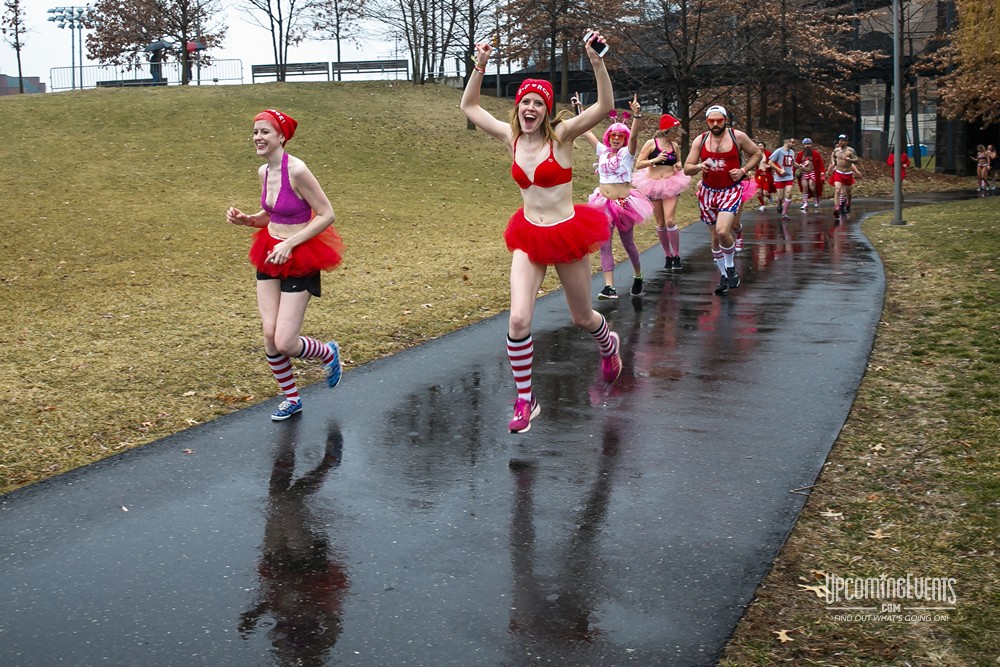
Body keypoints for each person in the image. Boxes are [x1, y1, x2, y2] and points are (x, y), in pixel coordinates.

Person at [461, 31, 623, 434]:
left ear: (547, 109)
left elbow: (605, 106)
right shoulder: (509, 136)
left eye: (538, 102)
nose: (530, 107)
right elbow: (469, 105)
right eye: (525, 102)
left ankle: (609, 344)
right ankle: (524, 398)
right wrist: (480, 63)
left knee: (582, 316)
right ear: (518, 108)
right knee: (517, 320)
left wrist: (596, 61)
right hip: (530, 236)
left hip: (566, 234)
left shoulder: (562, 136)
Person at [226, 108, 345, 421]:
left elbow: (326, 213)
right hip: (269, 251)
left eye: (265, 132)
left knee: (286, 342)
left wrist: (290, 243)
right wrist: (248, 220)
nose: (258, 138)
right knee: (269, 332)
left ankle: (328, 353)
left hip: (301, 256)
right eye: (255, 132)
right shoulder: (264, 172)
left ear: (281, 136)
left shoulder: (298, 170)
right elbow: (275, 212)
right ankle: (292, 398)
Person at [574, 95, 654, 299]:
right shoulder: (602, 152)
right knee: (604, 244)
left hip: (624, 205)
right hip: (602, 203)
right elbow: (585, 131)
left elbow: (635, 137)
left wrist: (637, 115)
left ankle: (638, 275)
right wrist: (580, 111)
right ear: (608, 137)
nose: (616, 138)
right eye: (613, 135)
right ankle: (609, 287)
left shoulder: (627, 153)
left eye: (620, 135)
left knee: (628, 244)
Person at [682, 105, 763, 295]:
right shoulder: (700, 140)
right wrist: (700, 166)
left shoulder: (738, 136)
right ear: (707, 122)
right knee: (714, 238)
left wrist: (743, 171)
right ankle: (724, 276)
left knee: (722, 231)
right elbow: (687, 168)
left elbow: (757, 154)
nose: (716, 124)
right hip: (708, 192)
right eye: (712, 121)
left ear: (726, 120)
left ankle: (730, 267)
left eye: (719, 120)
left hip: (730, 190)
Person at [633, 113, 692, 271]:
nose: (677, 133)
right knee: (660, 223)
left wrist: (678, 165)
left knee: (670, 220)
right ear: (667, 130)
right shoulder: (651, 144)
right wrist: (655, 160)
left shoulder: (675, 146)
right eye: (675, 130)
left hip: (671, 184)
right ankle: (668, 255)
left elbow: (678, 160)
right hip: (652, 184)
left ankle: (677, 254)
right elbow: (639, 164)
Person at [826, 133, 859, 216]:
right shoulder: (836, 150)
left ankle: (848, 203)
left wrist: (849, 159)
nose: (841, 142)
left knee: (848, 192)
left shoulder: (850, 150)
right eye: (840, 140)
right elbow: (833, 160)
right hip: (838, 172)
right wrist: (829, 170)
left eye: (843, 141)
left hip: (848, 172)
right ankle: (837, 208)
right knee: (837, 190)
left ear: (847, 142)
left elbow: (856, 160)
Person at [767, 137, 797, 219]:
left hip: (789, 175)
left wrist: (799, 166)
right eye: (792, 142)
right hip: (779, 177)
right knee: (780, 196)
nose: (793, 144)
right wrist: (779, 169)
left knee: (789, 193)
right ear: (787, 142)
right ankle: (780, 204)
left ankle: (784, 213)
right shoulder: (778, 151)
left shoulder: (792, 152)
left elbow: (793, 163)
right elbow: (770, 162)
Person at [796, 137, 825, 209]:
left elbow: (821, 163)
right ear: (803, 145)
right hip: (803, 173)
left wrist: (822, 171)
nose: (807, 146)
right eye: (806, 144)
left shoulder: (815, 153)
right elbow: (796, 163)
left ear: (811, 144)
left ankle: (815, 199)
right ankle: (805, 203)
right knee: (804, 187)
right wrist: (797, 170)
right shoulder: (800, 154)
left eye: (808, 144)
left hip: (812, 172)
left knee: (812, 187)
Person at [753, 141, 775, 211]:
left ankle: (769, 196)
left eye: (761, 146)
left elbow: (773, 163)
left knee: (765, 192)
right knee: (758, 191)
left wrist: (769, 166)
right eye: (758, 146)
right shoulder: (755, 154)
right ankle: (762, 205)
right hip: (758, 175)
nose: (760, 147)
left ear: (764, 147)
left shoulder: (768, 154)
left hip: (766, 175)